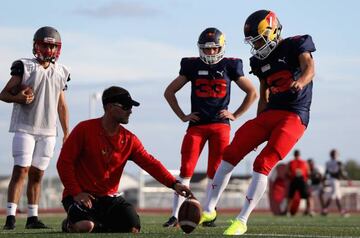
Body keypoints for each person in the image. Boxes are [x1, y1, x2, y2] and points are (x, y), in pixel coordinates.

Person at [200, 9, 316, 235]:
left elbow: (309, 67)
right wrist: (257, 126)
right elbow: (263, 94)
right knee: (231, 153)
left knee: (263, 162)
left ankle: (242, 220)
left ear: (274, 31)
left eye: (261, 39)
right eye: (254, 41)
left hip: (294, 114)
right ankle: (209, 208)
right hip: (270, 113)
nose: (258, 46)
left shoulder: (296, 44)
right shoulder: (258, 60)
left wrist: (301, 82)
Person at [57, 86, 192, 233]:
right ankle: (71, 224)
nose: (130, 110)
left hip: (109, 198)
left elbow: (150, 163)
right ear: (109, 107)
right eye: (125, 106)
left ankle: (97, 224)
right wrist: (77, 193)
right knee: (85, 226)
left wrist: (174, 184)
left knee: (133, 228)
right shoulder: (84, 129)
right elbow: (64, 163)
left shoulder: (129, 139)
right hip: (80, 196)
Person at [162, 27, 257, 227]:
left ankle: (209, 211)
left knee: (215, 171)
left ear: (221, 48)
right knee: (186, 169)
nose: (210, 52)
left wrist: (236, 114)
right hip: (196, 125)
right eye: (206, 49)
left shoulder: (231, 65)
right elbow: (169, 92)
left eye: (214, 49)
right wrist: (182, 116)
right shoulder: (191, 66)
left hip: (220, 126)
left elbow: (252, 93)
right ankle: (175, 214)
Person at [0, 26, 70, 230]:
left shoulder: (62, 71)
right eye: (45, 45)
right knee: (20, 170)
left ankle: (32, 217)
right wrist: (18, 97)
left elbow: (61, 104)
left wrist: (66, 131)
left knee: (38, 174)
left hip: (48, 130)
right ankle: (10, 217)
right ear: (36, 45)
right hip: (26, 127)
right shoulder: (25, 66)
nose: (49, 50)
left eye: (52, 46)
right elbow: (3, 94)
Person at [322, 149, 350, 216]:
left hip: (331, 179)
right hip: (335, 180)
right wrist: (347, 179)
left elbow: (326, 172)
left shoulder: (328, 162)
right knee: (333, 195)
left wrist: (323, 180)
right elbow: (340, 171)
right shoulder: (338, 162)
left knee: (338, 196)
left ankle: (341, 211)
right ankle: (325, 209)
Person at [286, 150, 312, 216]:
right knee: (292, 197)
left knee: (292, 197)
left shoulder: (293, 162)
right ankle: (309, 211)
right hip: (299, 180)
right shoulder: (303, 162)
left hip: (298, 180)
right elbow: (308, 172)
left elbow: (287, 173)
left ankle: (308, 211)